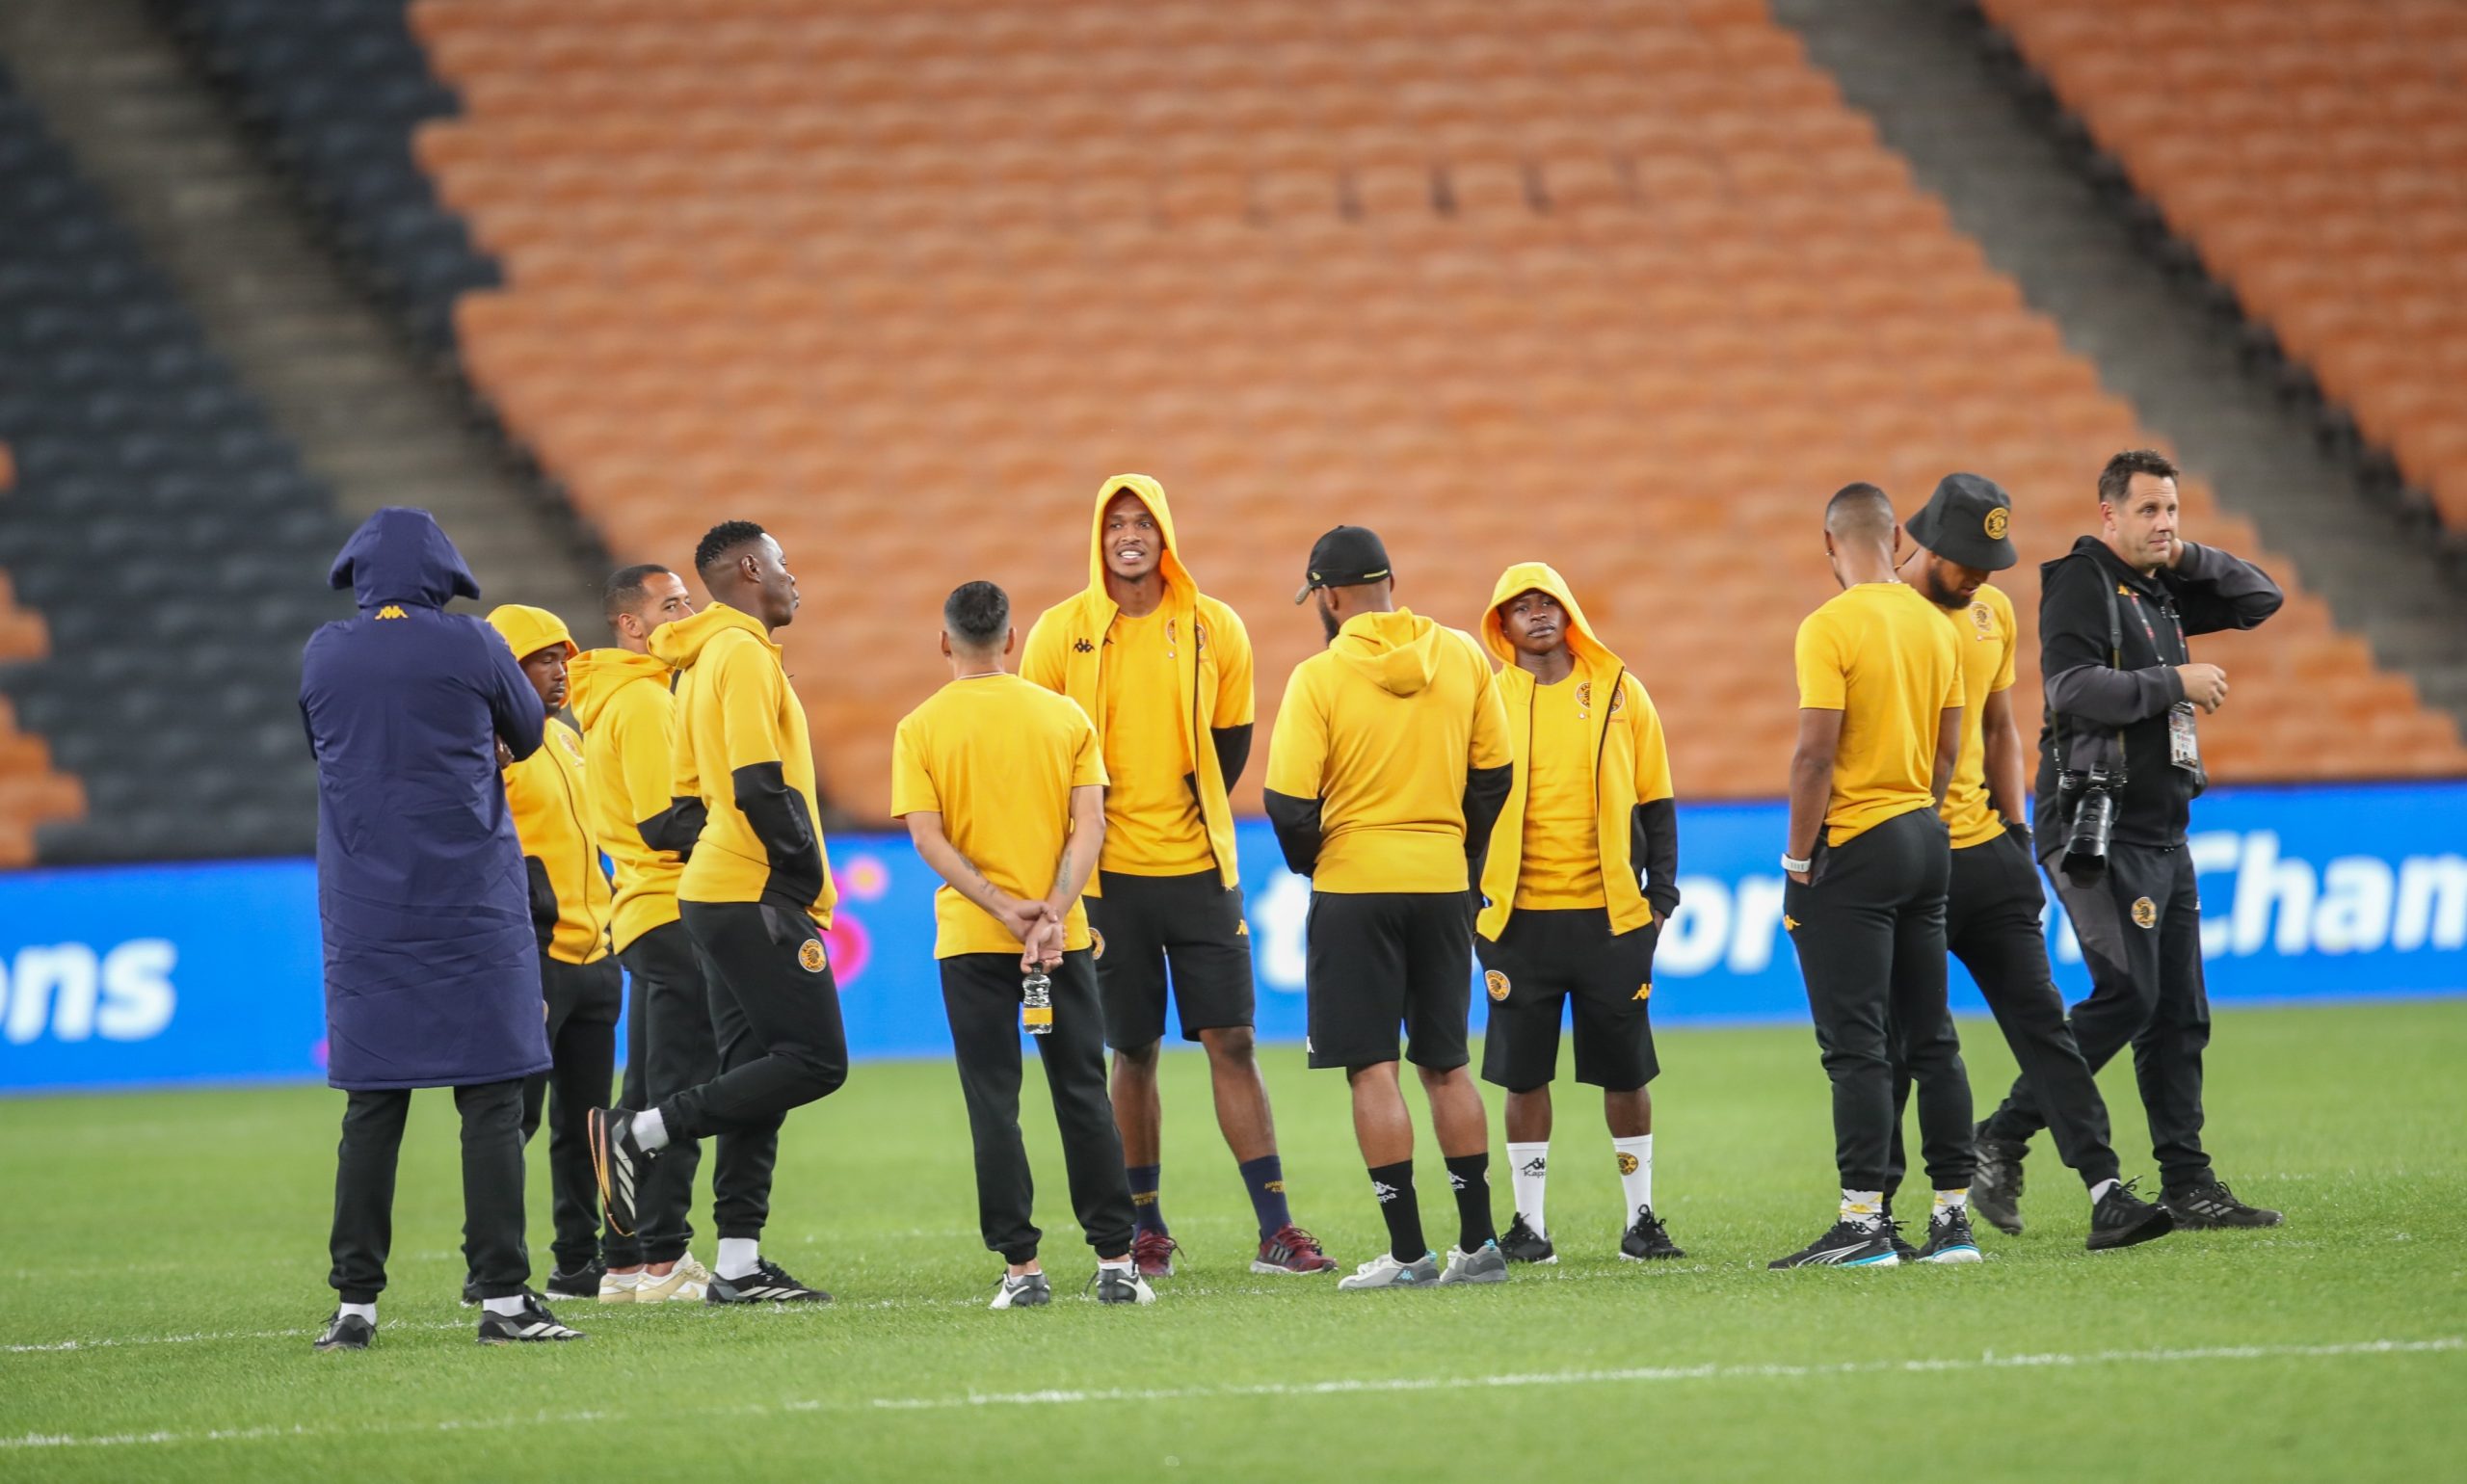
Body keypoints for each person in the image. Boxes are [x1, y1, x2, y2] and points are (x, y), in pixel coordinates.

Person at [1021, 473, 1334, 1280]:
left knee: (1234, 1040)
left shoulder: (1213, 626)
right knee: (1132, 1050)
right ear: (1099, 537)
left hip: (1200, 870)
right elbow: (1042, 753)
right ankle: (1146, 1229)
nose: (1129, 535)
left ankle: (1276, 1229)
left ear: (1165, 535)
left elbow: (1230, 743)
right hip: (1106, 881)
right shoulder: (1059, 632)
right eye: (1115, 523)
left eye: (1143, 522)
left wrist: (1187, 813)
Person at [1975, 449, 2286, 1232]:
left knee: (2179, 1014)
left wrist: (2184, 553)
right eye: (2148, 510)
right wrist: (2174, 682)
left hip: (2163, 830)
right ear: (2108, 514)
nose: (2164, 523)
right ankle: (2000, 1137)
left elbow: (2261, 597)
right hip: (2096, 827)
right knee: (2128, 995)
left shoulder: (2160, 590)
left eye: (2171, 509)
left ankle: (2188, 1182)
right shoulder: (2082, 582)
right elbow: (2071, 688)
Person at [301, 507, 580, 1347]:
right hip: (471, 905)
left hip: (366, 911)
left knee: (372, 1109)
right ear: (441, 574)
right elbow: (530, 733)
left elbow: (324, 745)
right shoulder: (473, 643)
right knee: (492, 1101)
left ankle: (355, 1307)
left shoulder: (324, 650)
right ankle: (503, 1300)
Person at [1881, 475, 2175, 1254]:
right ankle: (1872, 1215)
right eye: (1968, 560)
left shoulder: (1992, 612)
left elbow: (2001, 729)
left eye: (1992, 560)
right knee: (1901, 1044)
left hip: (1988, 855)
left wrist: (2015, 831)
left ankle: (2107, 1193)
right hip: (1909, 857)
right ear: (1927, 541)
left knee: (2044, 1027)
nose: (1982, 574)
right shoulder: (1879, 617)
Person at [588, 521, 843, 1305]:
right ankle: (643, 1131)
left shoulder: (695, 665)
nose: (793, 577)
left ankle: (737, 1262)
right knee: (815, 1062)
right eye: (783, 563)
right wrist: (799, 870)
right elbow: (758, 781)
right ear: (750, 568)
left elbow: (688, 797)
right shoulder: (737, 652)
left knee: (756, 1074)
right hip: (750, 886)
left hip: (714, 888)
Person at [1264, 525, 1515, 1290]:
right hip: (1441, 882)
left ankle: (1410, 1253)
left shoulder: (1319, 676)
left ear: (1330, 597)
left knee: (1373, 1068)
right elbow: (1496, 775)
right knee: (1446, 1065)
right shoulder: (1463, 656)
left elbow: (1287, 802)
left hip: (1355, 884)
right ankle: (1479, 1244)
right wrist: (1458, 852)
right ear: (1390, 584)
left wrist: (1318, 860)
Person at [894, 580, 1153, 1310]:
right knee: (1083, 1093)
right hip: (1059, 939)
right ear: (1010, 639)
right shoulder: (1064, 716)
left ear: (945, 642)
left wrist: (1004, 909)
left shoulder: (920, 727)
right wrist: (1050, 914)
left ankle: (1022, 1271)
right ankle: (1116, 1263)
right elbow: (1091, 825)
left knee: (993, 1103)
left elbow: (927, 838)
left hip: (972, 938)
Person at [1773, 484, 1969, 1270]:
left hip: (1857, 843)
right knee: (1932, 1036)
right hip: (1926, 833)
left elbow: (1814, 757)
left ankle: (1863, 1223)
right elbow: (1950, 751)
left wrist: (1797, 863)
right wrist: (1919, 813)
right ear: (1897, 540)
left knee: (1856, 1045)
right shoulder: (1938, 626)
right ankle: (1953, 1220)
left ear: (1830, 543)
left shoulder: (1829, 626)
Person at [1473, 563, 1684, 1266]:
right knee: (1522, 1077)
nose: (1537, 614)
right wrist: (1473, 906)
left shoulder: (1622, 693)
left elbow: (1657, 801)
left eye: (1548, 603)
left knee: (1626, 1074)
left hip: (1610, 921)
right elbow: (1462, 804)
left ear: (1569, 613)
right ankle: (1528, 1226)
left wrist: (1660, 901)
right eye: (1521, 607)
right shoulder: (1486, 700)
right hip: (1516, 924)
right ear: (1502, 626)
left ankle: (1641, 1220)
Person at [566, 565, 741, 1304]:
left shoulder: (623, 695)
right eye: (670, 605)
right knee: (677, 1093)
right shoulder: (642, 699)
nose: (686, 613)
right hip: (671, 907)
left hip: (643, 910)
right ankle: (665, 1258)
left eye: (688, 601)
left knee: (642, 1095)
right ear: (630, 625)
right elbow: (661, 822)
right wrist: (744, 829)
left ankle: (624, 1260)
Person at [484, 605, 623, 1302]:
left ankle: (576, 1261)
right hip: (534, 957)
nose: (560, 671)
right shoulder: (489, 748)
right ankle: (492, 1269)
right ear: (507, 670)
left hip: (596, 954)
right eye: (542, 660)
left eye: (563, 658)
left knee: (586, 1124)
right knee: (514, 1122)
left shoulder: (567, 738)